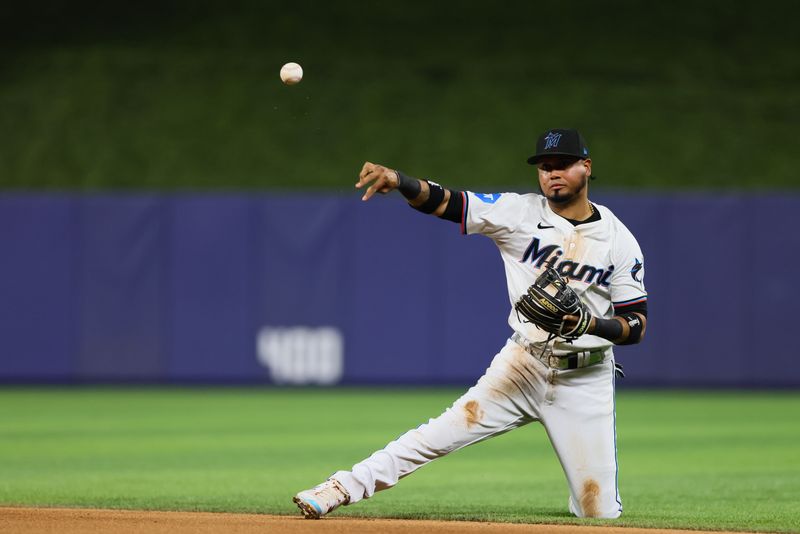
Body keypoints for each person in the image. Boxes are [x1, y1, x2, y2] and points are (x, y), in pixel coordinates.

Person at [293, 128, 648, 520]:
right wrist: (399, 181)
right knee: (438, 434)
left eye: (562, 164)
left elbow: (636, 324)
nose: (552, 173)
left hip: (586, 379)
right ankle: (340, 487)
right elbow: (449, 203)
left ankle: (579, 504)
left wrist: (590, 323)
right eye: (545, 167)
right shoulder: (519, 212)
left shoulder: (618, 239)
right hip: (523, 364)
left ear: (586, 166)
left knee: (598, 514)